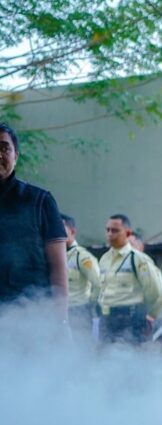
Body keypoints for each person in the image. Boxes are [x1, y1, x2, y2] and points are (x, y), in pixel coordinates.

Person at [0, 122, 68, 319]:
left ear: (16, 156)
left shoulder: (40, 200)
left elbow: (58, 267)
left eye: (5, 148)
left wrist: (61, 321)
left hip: (31, 318)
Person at [98, 213, 162, 344]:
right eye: (108, 230)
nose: (110, 234)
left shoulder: (138, 259)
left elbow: (155, 291)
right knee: (106, 361)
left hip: (131, 318)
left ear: (128, 233)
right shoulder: (104, 259)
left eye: (115, 230)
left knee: (131, 360)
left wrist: (150, 315)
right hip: (107, 319)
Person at [62, 214, 101, 337]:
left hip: (78, 310)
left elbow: (98, 283)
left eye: (61, 229)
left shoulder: (82, 257)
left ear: (73, 231)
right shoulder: (49, 256)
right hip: (57, 311)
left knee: (81, 349)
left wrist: (91, 304)